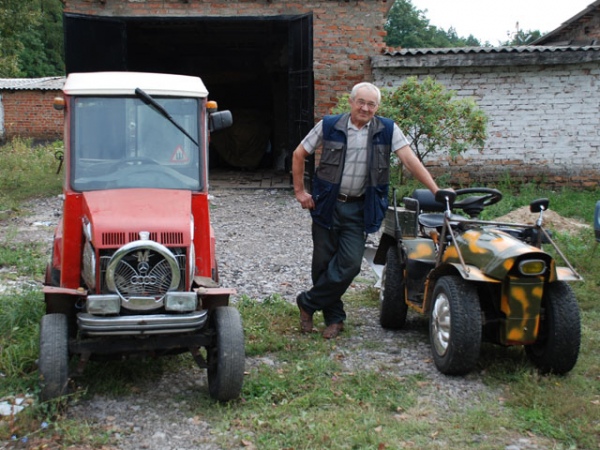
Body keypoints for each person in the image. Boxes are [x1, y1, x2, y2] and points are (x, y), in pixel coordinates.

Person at [292, 82, 445, 339]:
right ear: (351, 102)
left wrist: (436, 190)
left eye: (371, 104)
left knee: (350, 265)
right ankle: (335, 319)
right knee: (322, 265)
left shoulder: (387, 129)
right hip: (327, 205)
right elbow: (299, 154)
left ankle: (307, 302)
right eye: (361, 102)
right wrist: (300, 191)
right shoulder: (330, 125)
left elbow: (409, 160)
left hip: (359, 208)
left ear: (377, 107)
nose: (365, 108)